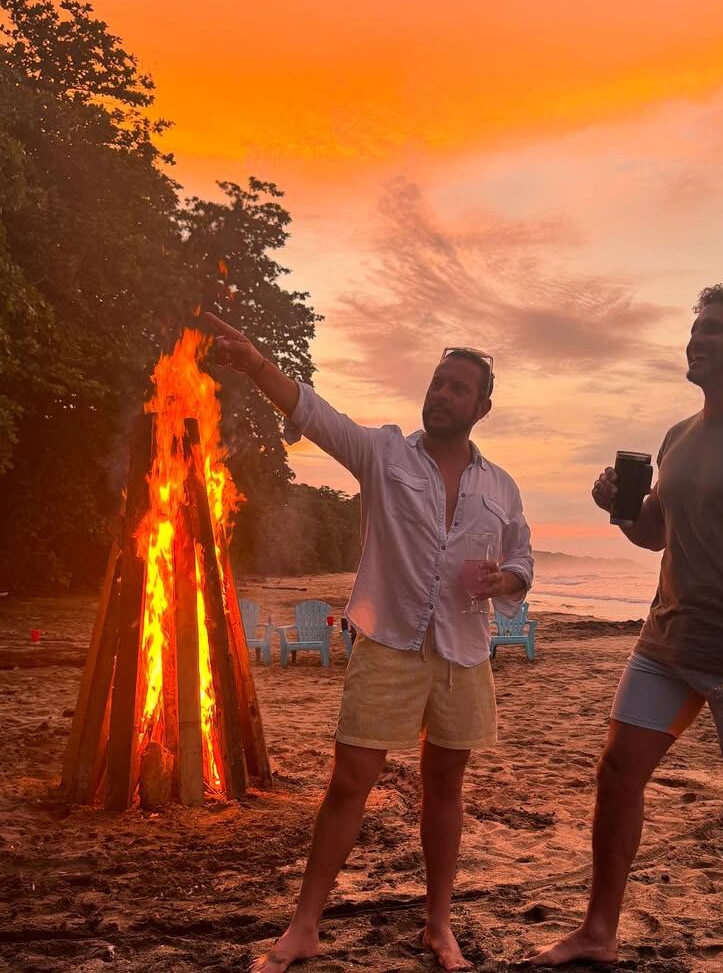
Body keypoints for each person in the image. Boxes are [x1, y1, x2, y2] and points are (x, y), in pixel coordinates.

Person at [203, 314, 533, 973]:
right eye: (437, 383)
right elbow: (318, 415)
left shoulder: (501, 486)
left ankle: (439, 926)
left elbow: (521, 559)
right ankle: (304, 925)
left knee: (446, 789)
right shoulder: (384, 454)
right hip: (387, 644)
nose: (441, 395)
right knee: (350, 783)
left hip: (465, 653)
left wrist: (506, 578)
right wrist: (257, 365)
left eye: (458, 389)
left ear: (482, 408)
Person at [531, 285, 723, 973]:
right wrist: (619, 509)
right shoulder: (679, 437)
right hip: (666, 646)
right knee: (617, 775)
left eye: (715, 331)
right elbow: (657, 535)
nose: (697, 341)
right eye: (695, 330)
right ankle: (598, 932)